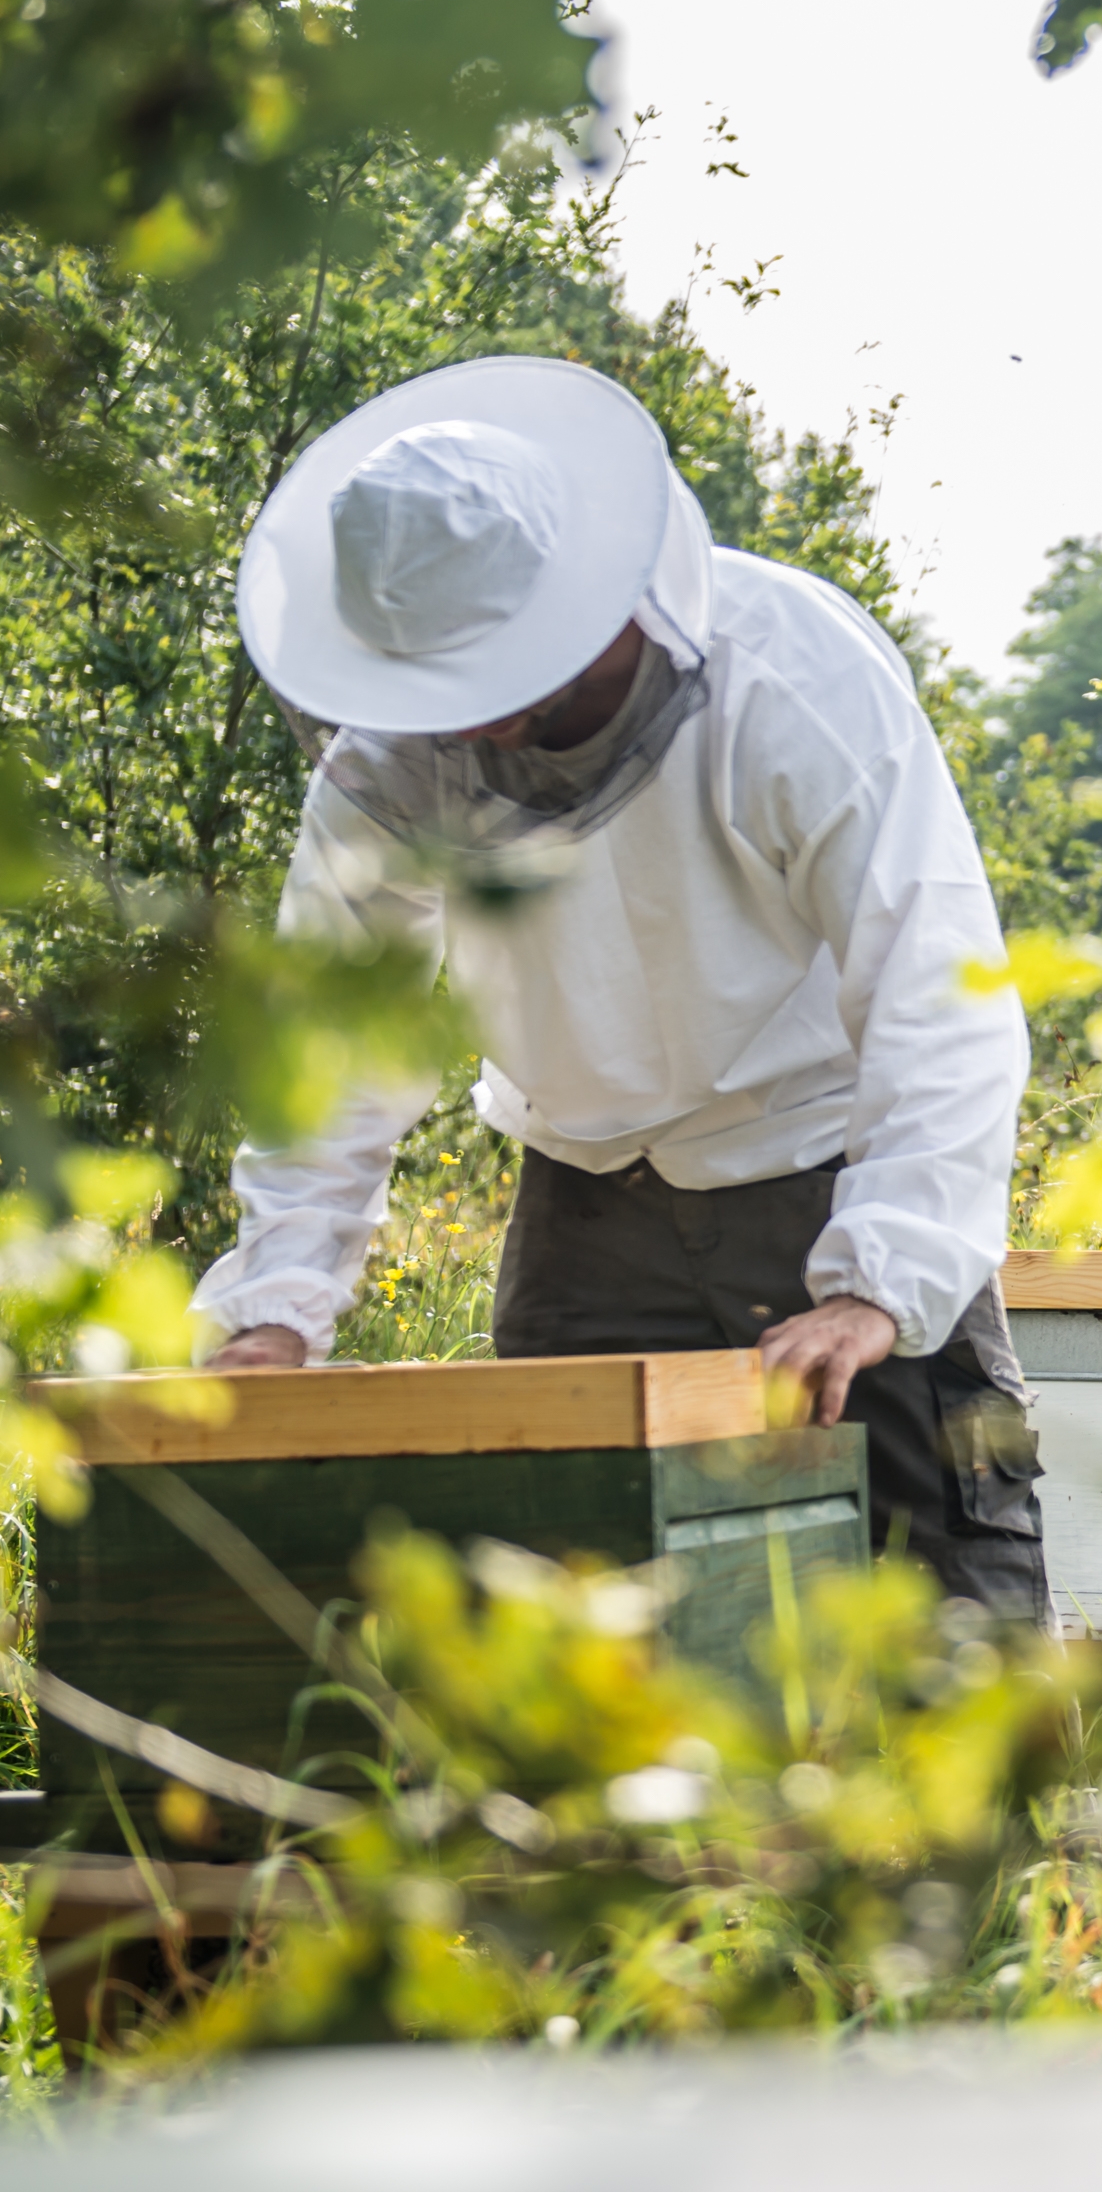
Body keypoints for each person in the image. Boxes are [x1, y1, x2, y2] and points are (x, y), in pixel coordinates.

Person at [189, 356, 1043, 1619]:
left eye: (500, 694)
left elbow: (936, 977)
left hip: (824, 1169)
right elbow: (332, 1037)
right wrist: (272, 1312)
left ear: (589, 607)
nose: (475, 736)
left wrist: (879, 1281)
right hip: (584, 1205)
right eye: (444, 701)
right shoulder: (397, 757)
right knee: (578, 1625)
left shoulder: (789, 676)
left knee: (951, 1599)